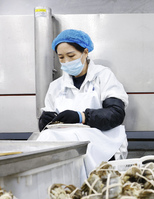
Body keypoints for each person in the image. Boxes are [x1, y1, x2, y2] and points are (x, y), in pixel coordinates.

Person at [37, 29, 128, 179]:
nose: (66, 62)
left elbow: (116, 114)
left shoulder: (103, 76)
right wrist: (44, 122)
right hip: (65, 142)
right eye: (61, 57)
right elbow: (47, 125)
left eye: (71, 56)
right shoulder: (56, 86)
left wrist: (82, 117)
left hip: (102, 140)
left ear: (85, 52)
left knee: (78, 144)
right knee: (46, 139)